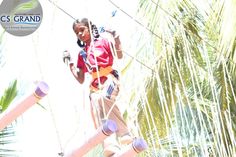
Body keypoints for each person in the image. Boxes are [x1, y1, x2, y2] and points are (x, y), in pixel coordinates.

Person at [64, 18, 133, 157]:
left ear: (89, 28)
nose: (80, 34)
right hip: (95, 85)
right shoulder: (82, 54)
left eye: (82, 29)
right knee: (97, 106)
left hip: (109, 79)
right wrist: (70, 64)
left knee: (104, 97)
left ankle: (125, 134)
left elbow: (119, 55)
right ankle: (110, 144)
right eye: (77, 32)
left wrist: (116, 36)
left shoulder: (103, 42)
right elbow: (81, 78)